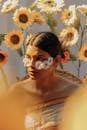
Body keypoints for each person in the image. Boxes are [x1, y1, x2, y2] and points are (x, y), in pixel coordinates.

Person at [0, 32, 81, 130]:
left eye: (40, 59)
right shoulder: (17, 93)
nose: (31, 64)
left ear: (57, 60)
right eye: (28, 57)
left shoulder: (75, 93)